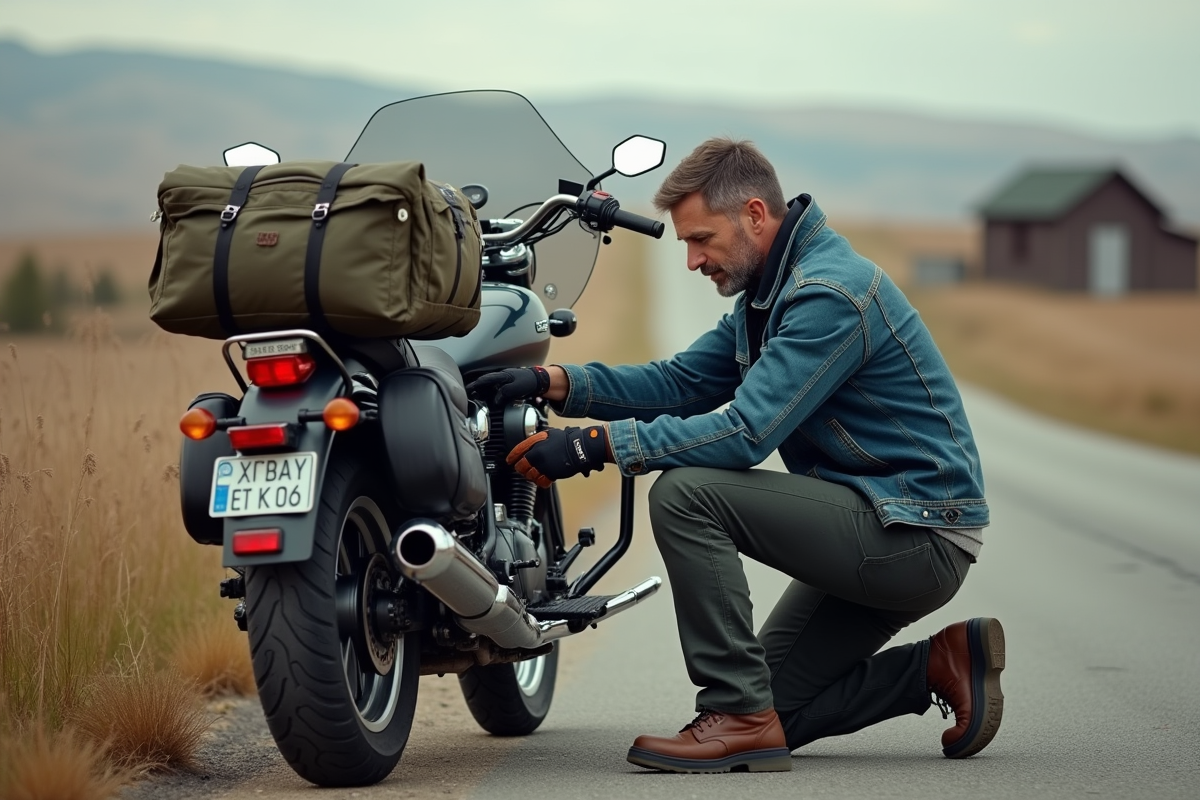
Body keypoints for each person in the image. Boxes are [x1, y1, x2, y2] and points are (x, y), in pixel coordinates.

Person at [468, 137, 1004, 774]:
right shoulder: (768, 295)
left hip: (916, 534)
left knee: (684, 492)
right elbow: (682, 382)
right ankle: (935, 667)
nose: (692, 260)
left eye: (701, 239)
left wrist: (594, 445)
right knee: (776, 717)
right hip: (882, 522)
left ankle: (732, 709)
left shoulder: (828, 294)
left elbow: (748, 433)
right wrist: (555, 384)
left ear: (754, 215)